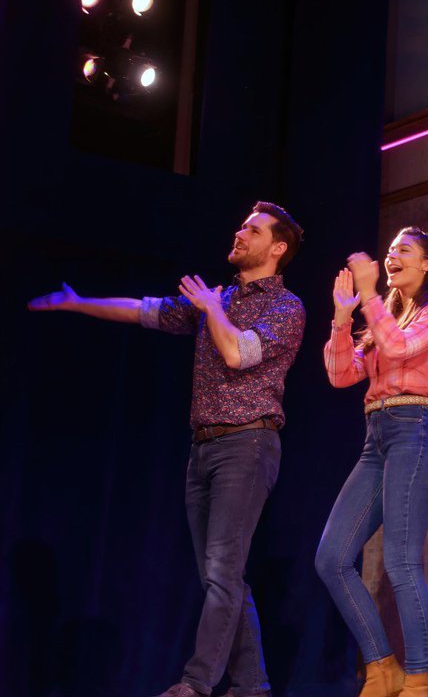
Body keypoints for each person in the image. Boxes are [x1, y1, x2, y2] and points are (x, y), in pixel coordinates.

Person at [28, 201, 307, 697]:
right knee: (219, 576)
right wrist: (77, 302)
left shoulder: (285, 307)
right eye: (242, 226)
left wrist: (212, 310)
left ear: (277, 248)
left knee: (222, 573)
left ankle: (196, 684)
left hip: (247, 443)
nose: (240, 233)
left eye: (253, 230)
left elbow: (237, 353)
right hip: (203, 450)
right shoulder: (218, 298)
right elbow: (144, 310)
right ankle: (252, 686)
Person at [317, 227, 428, 697]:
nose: (392, 256)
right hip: (375, 437)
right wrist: (342, 318)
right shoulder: (387, 317)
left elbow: (399, 348)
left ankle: (419, 680)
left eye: (404, 250)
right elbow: (340, 375)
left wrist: (370, 294)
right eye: (391, 249)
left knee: (400, 560)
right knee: (332, 558)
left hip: (415, 429)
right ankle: (382, 668)